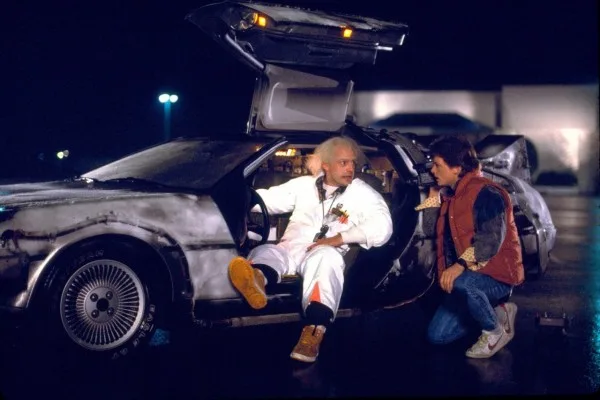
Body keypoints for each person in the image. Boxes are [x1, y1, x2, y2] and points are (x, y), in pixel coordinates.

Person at [227, 136, 393, 363]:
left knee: (325, 260)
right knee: (267, 251)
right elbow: (266, 200)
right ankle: (256, 280)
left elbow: (383, 226)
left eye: (352, 163)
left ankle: (314, 331)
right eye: (343, 163)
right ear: (326, 165)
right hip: (290, 248)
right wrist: (234, 198)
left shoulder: (362, 193)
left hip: (323, 253)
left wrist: (338, 238)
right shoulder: (304, 185)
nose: (350, 169)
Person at [415, 136, 524, 358]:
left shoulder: (487, 193)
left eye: (437, 165)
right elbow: (430, 229)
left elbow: (490, 241)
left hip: (495, 277)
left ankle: (494, 332)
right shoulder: (451, 195)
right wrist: (433, 197)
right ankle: (497, 313)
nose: (433, 170)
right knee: (437, 336)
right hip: (466, 278)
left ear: (456, 168)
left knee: (465, 284)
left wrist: (458, 266)